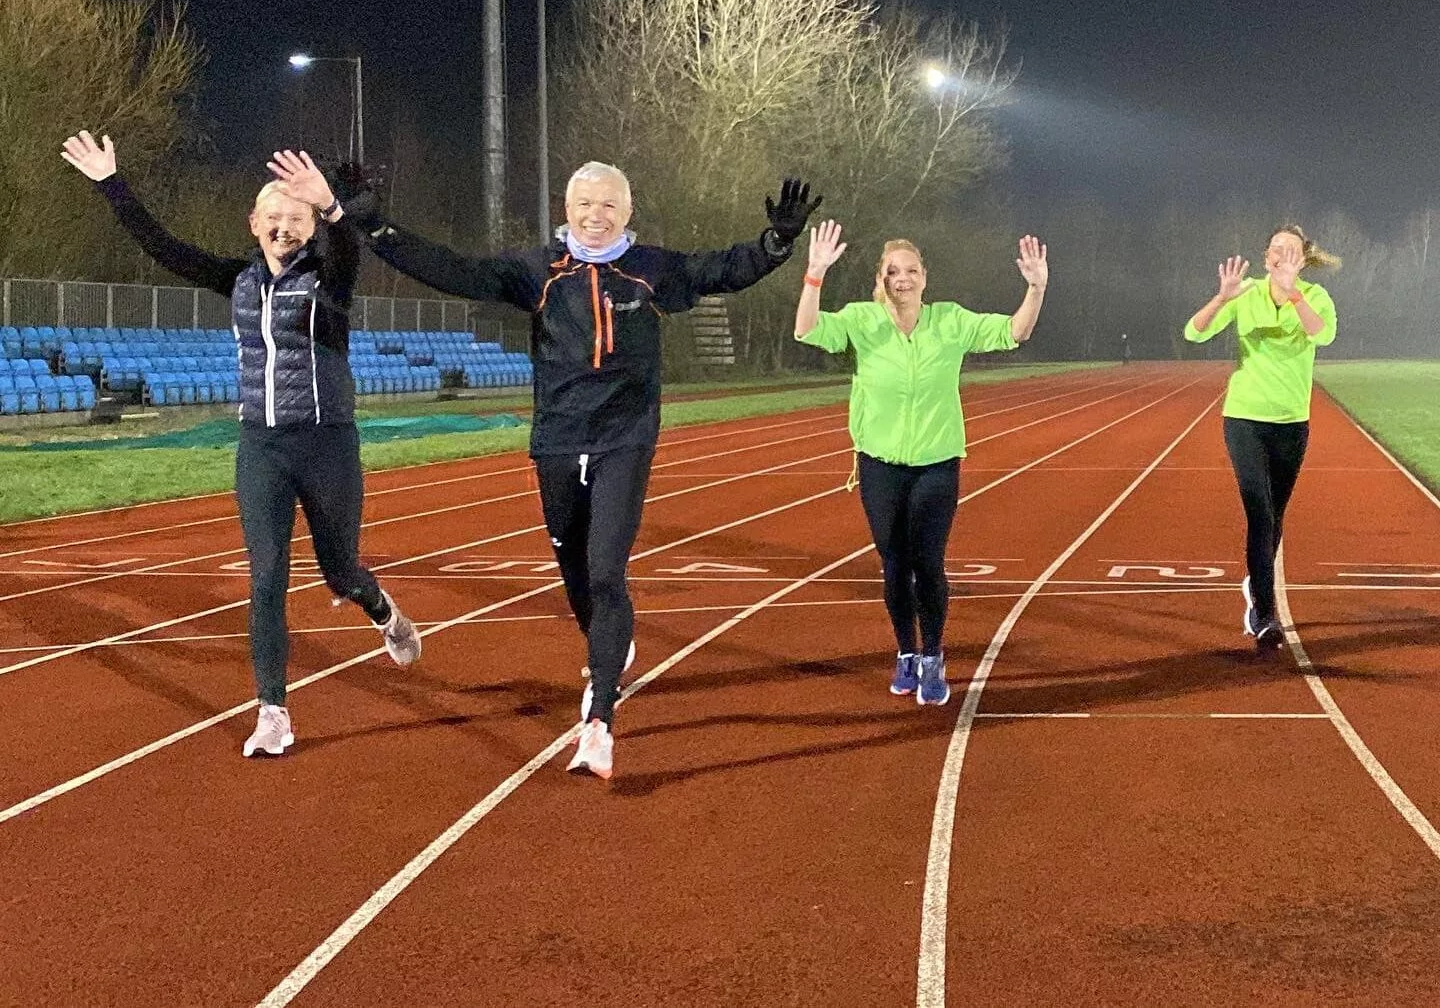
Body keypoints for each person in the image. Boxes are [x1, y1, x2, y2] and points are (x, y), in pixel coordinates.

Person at [272, 158, 819, 779]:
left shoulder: (652, 271)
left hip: (624, 440)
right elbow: (454, 271)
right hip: (557, 441)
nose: (596, 215)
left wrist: (776, 242)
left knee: (608, 571)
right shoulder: (538, 270)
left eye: (609, 205)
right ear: (566, 209)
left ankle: (600, 719)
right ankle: (608, 644)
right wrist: (365, 223)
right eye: (585, 204)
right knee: (580, 580)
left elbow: (720, 267)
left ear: (628, 212)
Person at [61, 132, 422, 757]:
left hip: (327, 445)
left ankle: (382, 609)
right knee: (265, 579)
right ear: (253, 223)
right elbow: (162, 247)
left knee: (339, 574)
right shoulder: (237, 281)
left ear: (309, 227)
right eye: (273, 217)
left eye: (296, 217)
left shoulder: (329, 284)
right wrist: (111, 185)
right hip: (261, 449)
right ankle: (274, 710)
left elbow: (348, 254)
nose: (283, 227)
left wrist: (332, 208)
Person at [794, 221, 1047, 704]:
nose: (902, 279)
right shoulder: (862, 321)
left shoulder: (950, 321)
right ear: (881, 278)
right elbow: (807, 330)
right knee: (893, 563)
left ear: (925, 277)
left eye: (910, 270)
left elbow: (1014, 332)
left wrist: (1035, 287)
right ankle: (906, 652)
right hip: (879, 464)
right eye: (893, 271)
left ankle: (933, 655)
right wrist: (815, 274)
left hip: (937, 463)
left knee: (927, 563)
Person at [1184, 225, 1338, 651]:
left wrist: (1294, 294)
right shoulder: (1246, 292)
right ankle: (1266, 613)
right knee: (1260, 512)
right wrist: (1222, 297)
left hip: (1291, 421)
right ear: (1266, 255)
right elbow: (1194, 332)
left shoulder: (1315, 297)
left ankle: (1256, 581)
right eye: (1274, 249)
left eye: (1289, 251)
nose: (1280, 256)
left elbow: (1321, 333)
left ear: (1302, 260)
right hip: (1244, 417)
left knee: (1276, 514)